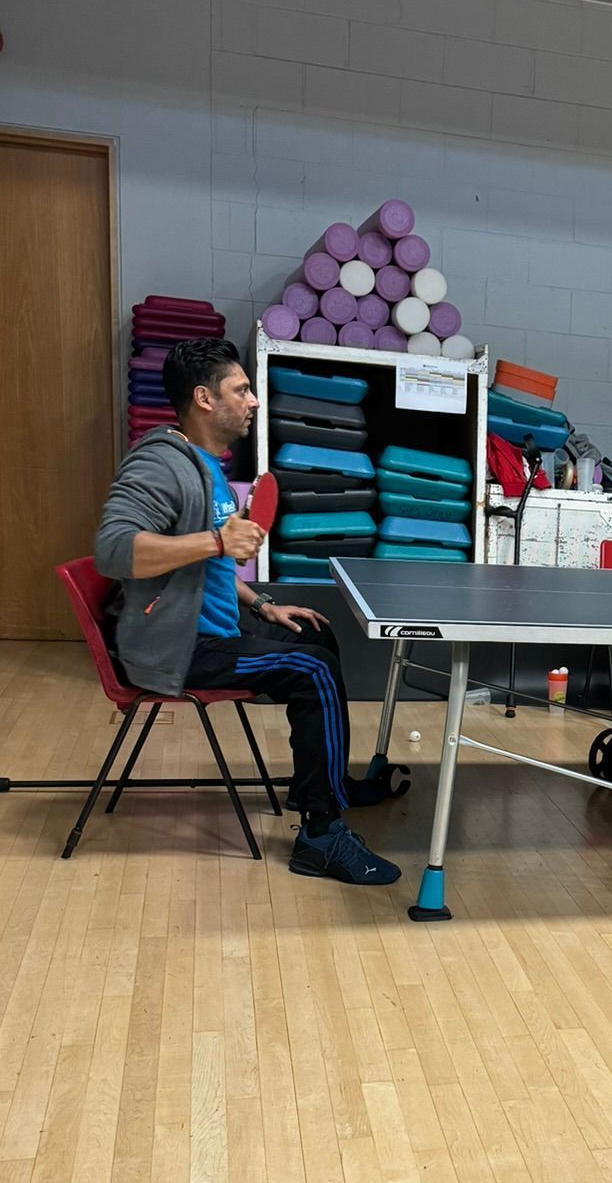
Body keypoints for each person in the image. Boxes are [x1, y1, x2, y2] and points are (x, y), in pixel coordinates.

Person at [95, 338, 401, 884]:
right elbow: (115, 550)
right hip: (178, 648)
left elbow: (208, 567)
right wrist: (216, 541)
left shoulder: (207, 466)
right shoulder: (162, 465)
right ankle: (320, 836)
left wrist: (262, 603)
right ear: (204, 399)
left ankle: (329, 784)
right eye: (242, 389)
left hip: (212, 630)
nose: (254, 400)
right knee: (313, 671)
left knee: (315, 637)